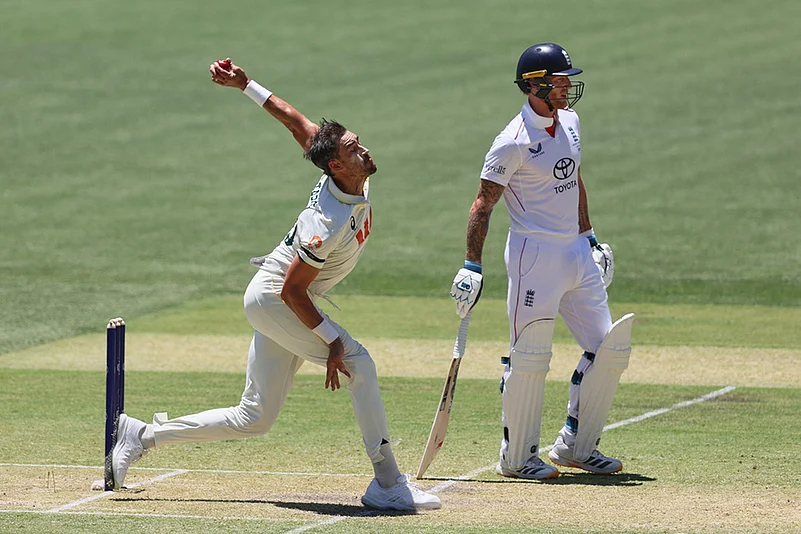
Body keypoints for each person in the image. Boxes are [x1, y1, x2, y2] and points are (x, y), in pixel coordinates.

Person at [109, 58, 441, 511]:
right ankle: (387, 482)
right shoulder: (326, 222)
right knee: (360, 366)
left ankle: (142, 435)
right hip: (276, 299)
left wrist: (245, 84)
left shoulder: (343, 169)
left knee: (255, 418)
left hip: (285, 298)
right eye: (353, 149)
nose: (364, 150)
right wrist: (330, 340)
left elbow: (293, 120)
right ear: (336, 166)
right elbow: (291, 291)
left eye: (359, 143)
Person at [449, 43, 634, 480]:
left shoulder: (569, 121)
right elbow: (482, 205)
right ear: (535, 85)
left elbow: (575, 178)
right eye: (560, 80)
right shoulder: (511, 143)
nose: (568, 87)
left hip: (574, 252)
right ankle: (516, 458)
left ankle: (576, 447)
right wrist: (471, 265)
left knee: (609, 348)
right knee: (530, 357)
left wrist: (590, 237)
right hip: (534, 256)